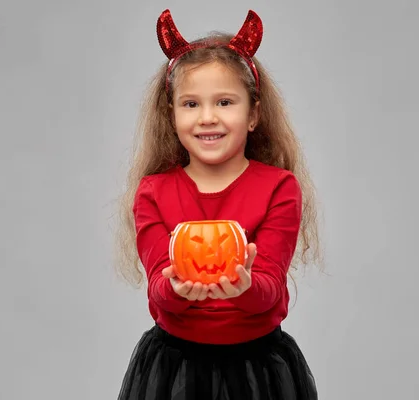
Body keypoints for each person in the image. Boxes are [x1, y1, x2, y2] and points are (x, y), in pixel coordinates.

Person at [114, 9, 323, 400]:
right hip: (174, 370)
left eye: (225, 102)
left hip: (257, 370)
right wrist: (175, 287)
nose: (207, 117)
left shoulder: (279, 188)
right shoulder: (153, 193)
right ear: (172, 115)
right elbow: (158, 288)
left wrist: (243, 286)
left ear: (253, 114)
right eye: (191, 104)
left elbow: (268, 288)